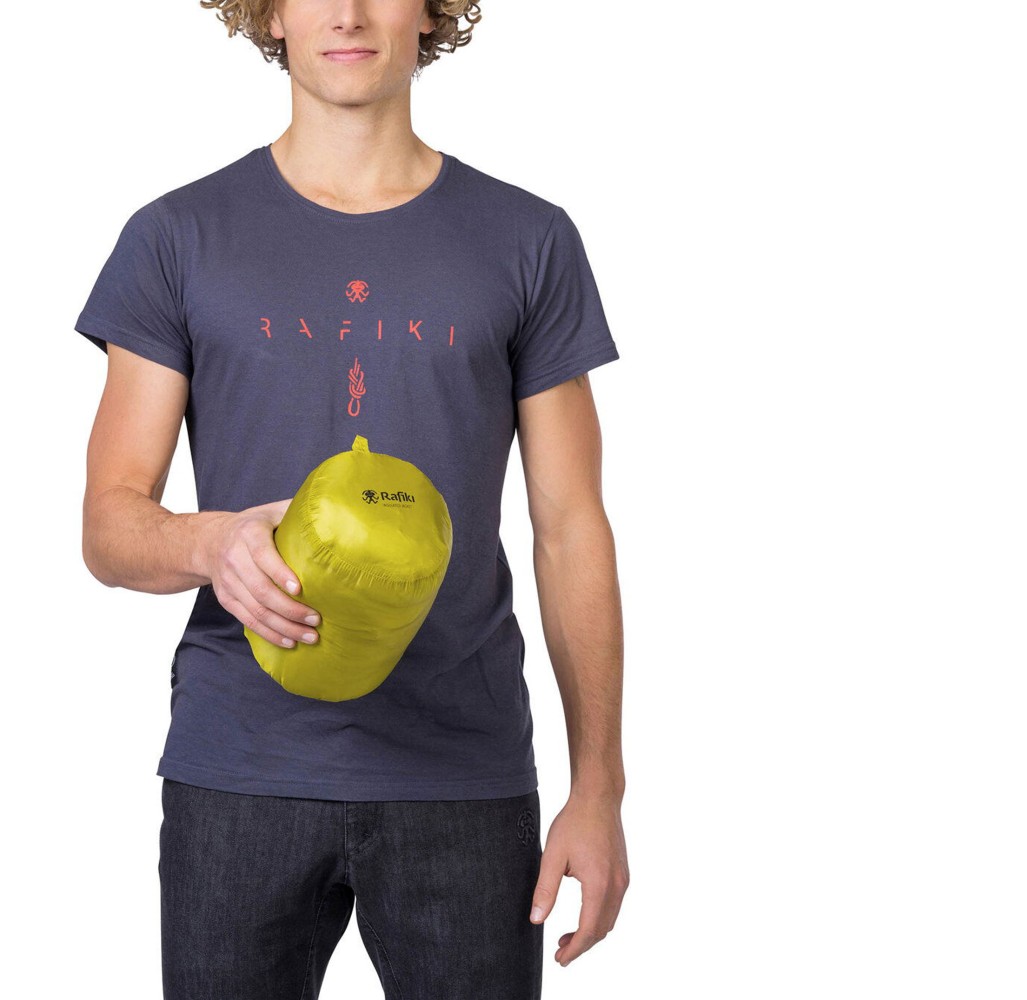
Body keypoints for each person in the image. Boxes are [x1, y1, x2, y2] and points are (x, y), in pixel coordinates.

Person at [75, 2, 628, 996]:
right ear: (270, 15)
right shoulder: (176, 237)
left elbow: (570, 529)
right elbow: (110, 523)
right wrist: (211, 544)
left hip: (461, 774)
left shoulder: (527, 239)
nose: (347, 11)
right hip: (239, 768)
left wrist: (599, 788)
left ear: (431, 11)